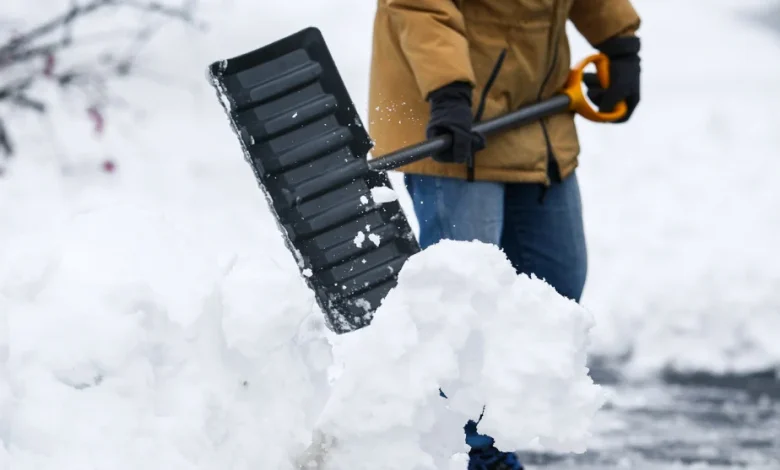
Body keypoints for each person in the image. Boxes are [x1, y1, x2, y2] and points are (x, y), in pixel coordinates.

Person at [368, 0, 641, 303]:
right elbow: (420, 6)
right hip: (455, 122)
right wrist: (448, 92)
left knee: (559, 287)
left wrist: (620, 43)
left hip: (537, 115)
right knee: (467, 299)